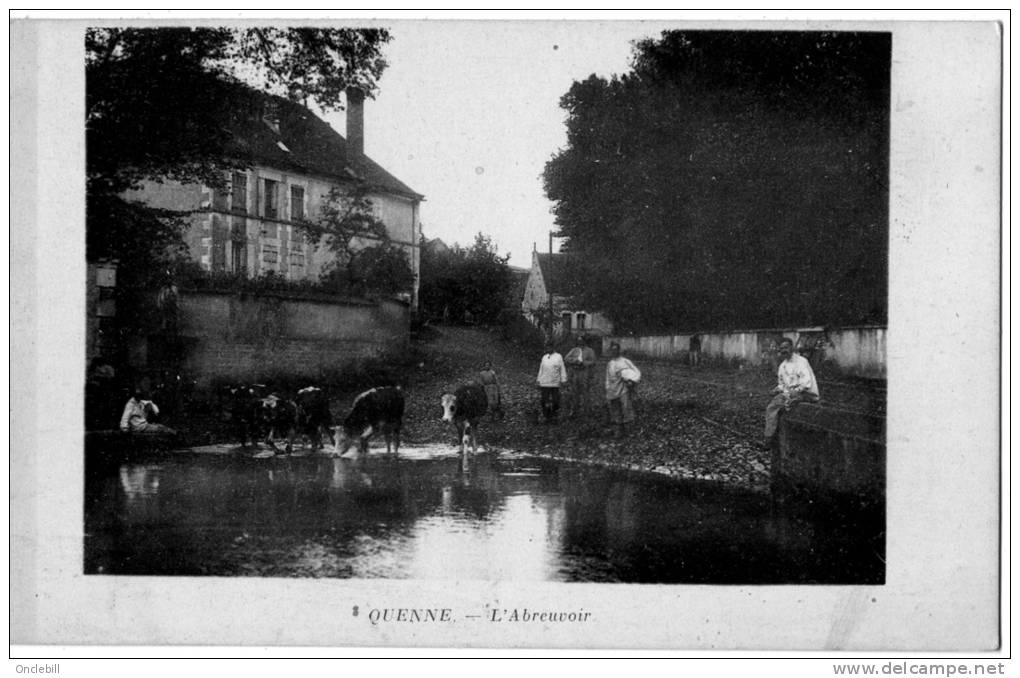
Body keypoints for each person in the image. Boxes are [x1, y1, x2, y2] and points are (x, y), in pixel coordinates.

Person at [763, 337, 820, 447]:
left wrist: (793, 392)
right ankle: (771, 436)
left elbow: (806, 383)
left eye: (786, 347)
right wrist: (777, 389)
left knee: (776, 405)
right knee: (775, 404)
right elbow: (782, 384)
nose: (784, 350)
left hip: (806, 393)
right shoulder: (782, 366)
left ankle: (769, 438)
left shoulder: (801, 361)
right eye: (781, 348)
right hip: (791, 393)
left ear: (792, 348)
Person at [605, 342, 641, 437]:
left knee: (626, 408)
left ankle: (629, 430)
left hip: (624, 388)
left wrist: (632, 381)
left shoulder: (626, 361)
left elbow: (637, 372)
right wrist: (608, 388)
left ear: (619, 350)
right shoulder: (610, 363)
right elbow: (608, 378)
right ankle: (618, 431)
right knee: (615, 409)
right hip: (613, 389)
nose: (614, 351)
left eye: (616, 349)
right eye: (612, 350)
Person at [564, 335, 597, 417]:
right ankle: (575, 410)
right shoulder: (574, 350)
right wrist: (575, 361)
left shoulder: (589, 350)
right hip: (575, 372)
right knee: (575, 391)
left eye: (581, 340)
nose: (580, 342)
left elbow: (593, 361)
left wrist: (584, 363)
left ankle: (587, 410)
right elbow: (566, 358)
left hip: (584, 372)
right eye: (578, 340)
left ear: (584, 341)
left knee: (585, 391)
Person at [536, 341, 567, 422]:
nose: (548, 349)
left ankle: (554, 415)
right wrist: (538, 379)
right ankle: (546, 416)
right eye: (546, 347)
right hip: (544, 382)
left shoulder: (558, 356)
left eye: (549, 347)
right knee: (544, 400)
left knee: (555, 400)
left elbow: (562, 368)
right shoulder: (544, 357)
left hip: (555, 382)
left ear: (553, 348)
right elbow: (541, 369)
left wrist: (563, 379)